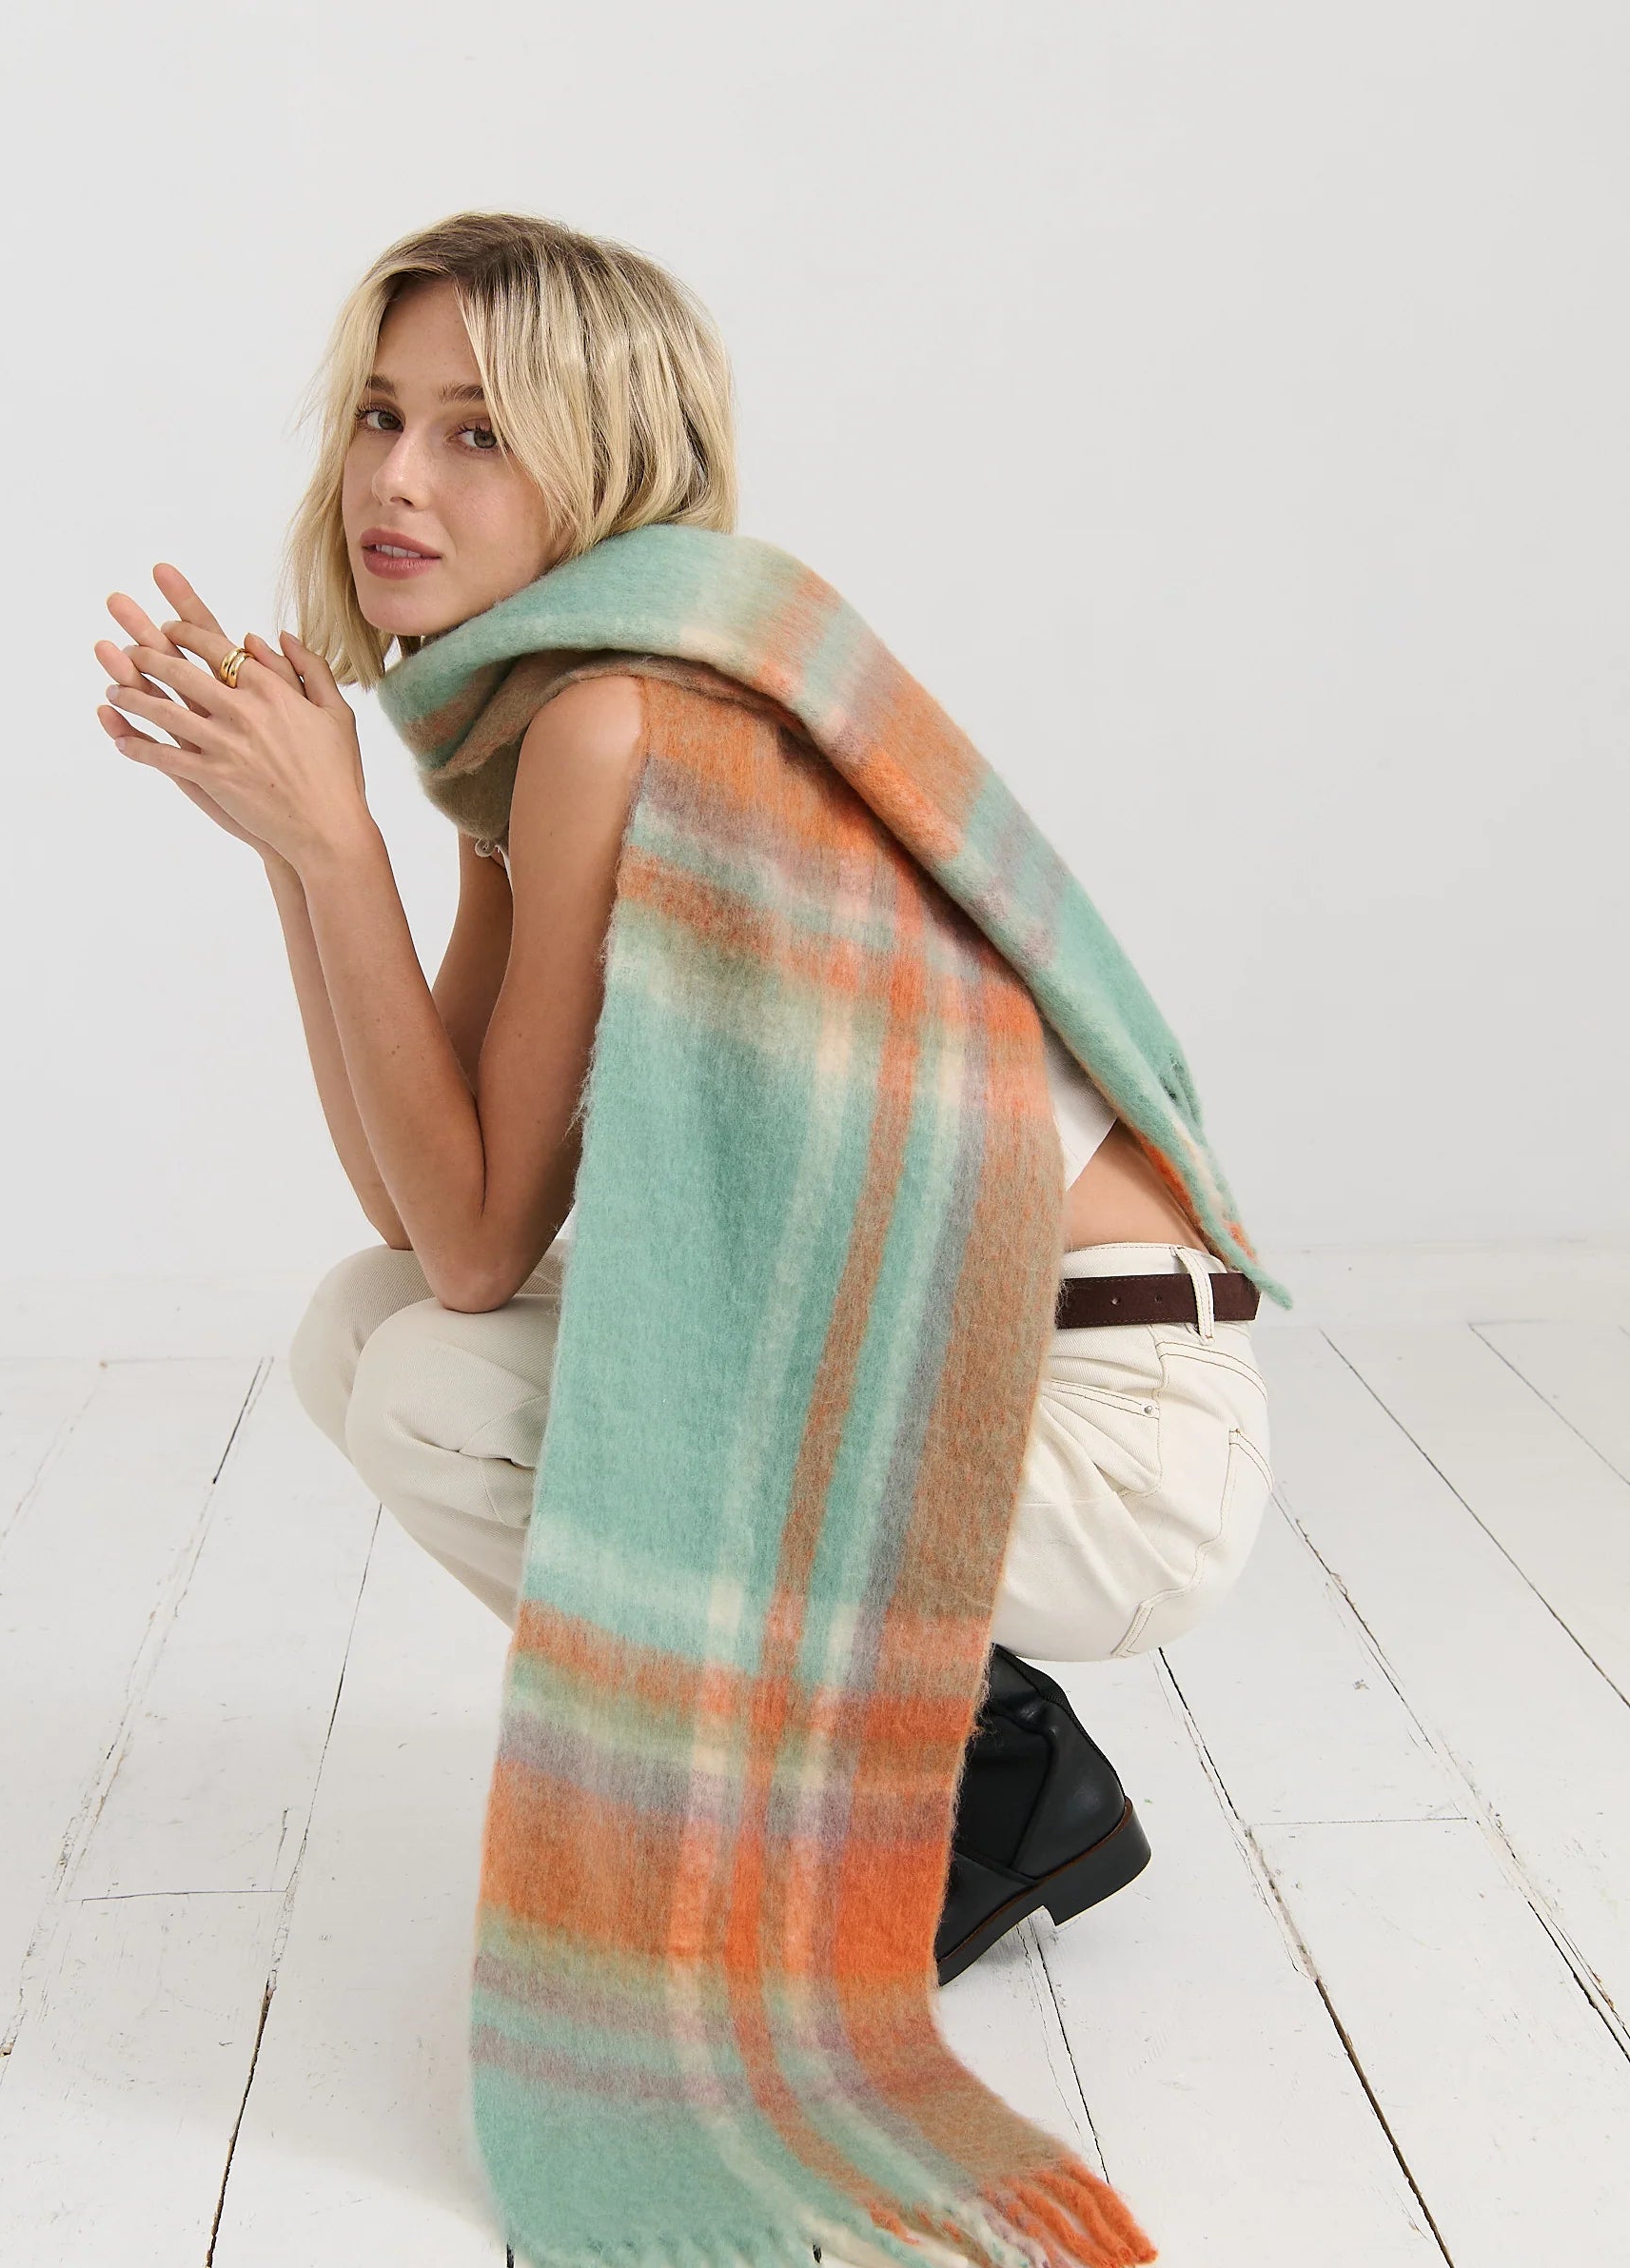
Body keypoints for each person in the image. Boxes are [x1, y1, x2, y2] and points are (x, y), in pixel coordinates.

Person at [93, 210, 1274, 1988]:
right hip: (950, 1366)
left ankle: (956, 1768)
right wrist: (295, 848)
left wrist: (340, 851)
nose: (396, 477)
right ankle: (952, 1751)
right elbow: (420, 1211)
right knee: (363, 1324)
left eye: (479, 433)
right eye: (381, 414)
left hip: (1105, 1431)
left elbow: (480, 1250)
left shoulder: (617, 719)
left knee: (430, 1380)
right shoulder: (544, 724)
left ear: (606, 468)